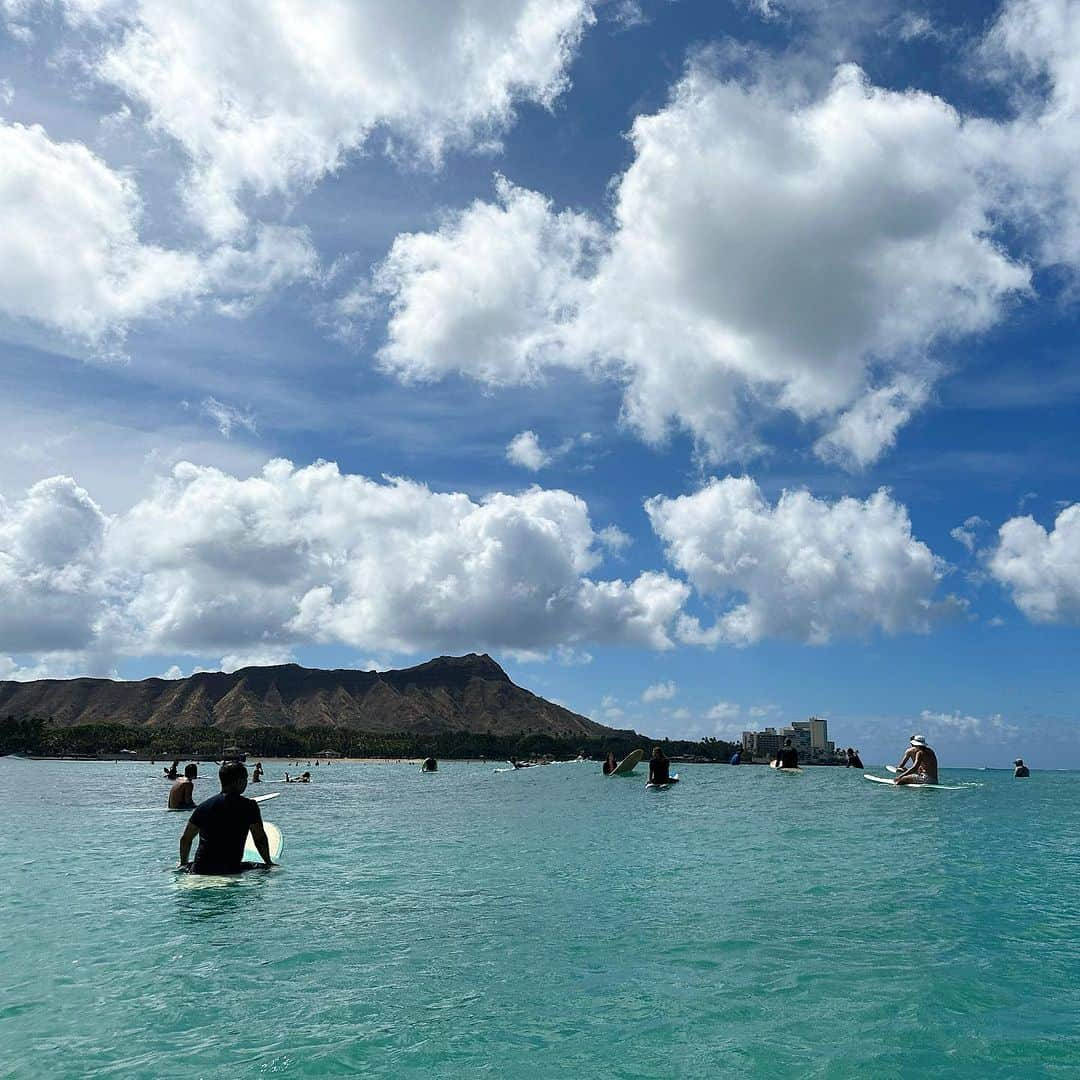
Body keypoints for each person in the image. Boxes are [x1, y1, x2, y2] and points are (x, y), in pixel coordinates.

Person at [178, 761, 274, 875]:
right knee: (262, 867)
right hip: (229, 869)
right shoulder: (249, 806)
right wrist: (268, 862)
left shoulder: (204, 806)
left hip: (200, 869)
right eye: (245, 779)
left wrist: (183, 864)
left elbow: (185, 839)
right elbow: (259, 838)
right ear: (239, 781)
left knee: (191, 863)